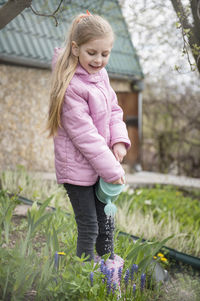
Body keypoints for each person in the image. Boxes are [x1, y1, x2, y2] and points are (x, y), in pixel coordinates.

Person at [47, 11, 131, 261]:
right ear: (75, 49)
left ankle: (108, 269)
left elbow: (115, 110)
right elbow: (86, 136)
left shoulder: (100, 76)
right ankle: (84, 277)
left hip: (99, 166)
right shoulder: (71, 85)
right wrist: (113, 171)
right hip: (77, 171)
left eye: (105, 54)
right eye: (91, 53)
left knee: (106, 221)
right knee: (90, 226)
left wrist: (118, 141)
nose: (98, 60)